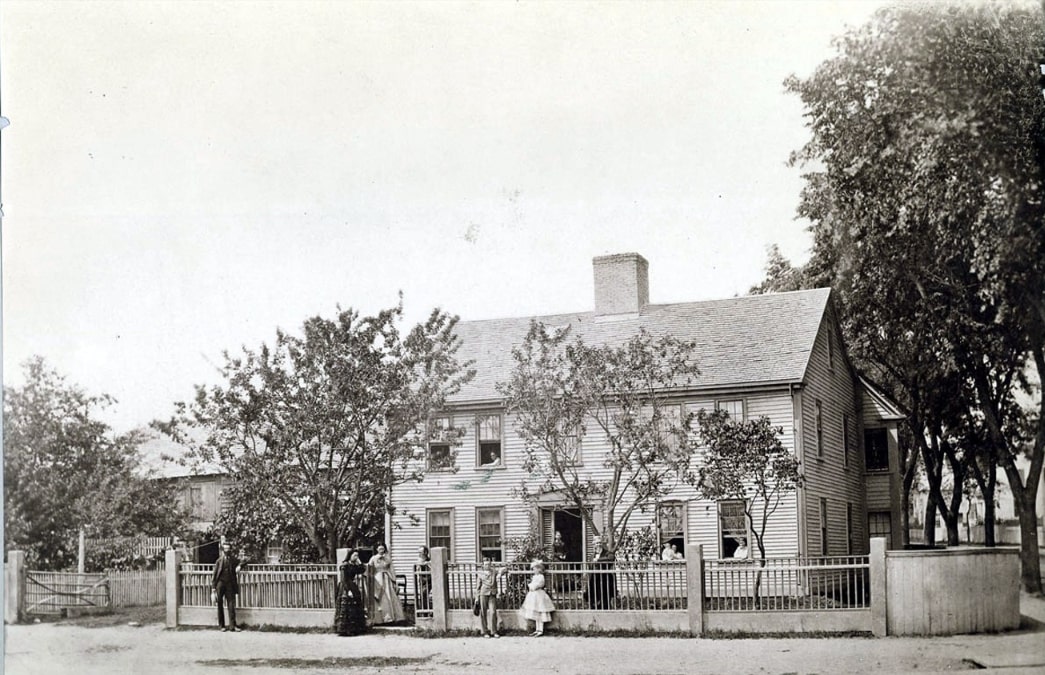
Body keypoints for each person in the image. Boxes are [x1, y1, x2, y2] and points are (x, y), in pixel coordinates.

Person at [368, 543, 405, 624]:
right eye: (379, 549)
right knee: (380, 596)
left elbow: (392, 570)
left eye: (383, 549)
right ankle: (379, 619)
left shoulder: (387, 558)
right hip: (377, 578)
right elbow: (369, 569)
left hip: (387, 578)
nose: (381, 550)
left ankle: (392, 618)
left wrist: (394, 580)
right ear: (377, 549)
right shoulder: (373, 558)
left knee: (389, 595)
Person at [334, 550, 368, 636]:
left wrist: (359, 562)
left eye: (357, 556)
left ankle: (355, 629)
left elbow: (362, 570)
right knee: (346, 607)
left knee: (354, 607)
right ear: (350, 555)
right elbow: (343, 579)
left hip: (352, 585)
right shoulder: (344, 565)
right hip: (345, 586)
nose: (356, 557)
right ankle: (344, 630)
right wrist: (348, 590)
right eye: (354, 555)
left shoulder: (354, 565)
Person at [211, 541, 242, 632]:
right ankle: (222, 626)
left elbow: (243, 561)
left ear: (230, 549)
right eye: (225, 549)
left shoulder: (233, 560)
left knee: (231, 605)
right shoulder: (219, 561)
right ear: (222, 550)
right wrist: (213, 588)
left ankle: (232, 626)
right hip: (220, 584)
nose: (227, 550)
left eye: (228, 548)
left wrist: (240, 566)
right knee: (220, 604)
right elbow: (215, 574)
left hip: (230, 584)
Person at [519, 560, 555, 636]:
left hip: (539, 595)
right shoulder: (535, 576)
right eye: (533, 569)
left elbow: (539, 584)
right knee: (535, 612)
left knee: (540, 612)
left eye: (535, 569)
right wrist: (531, 586)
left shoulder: (541, 577)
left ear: (539, 569)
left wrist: (532, 586)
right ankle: (537, 629)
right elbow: (532, 584)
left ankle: (540, 630)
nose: (534, 570)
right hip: (533, 595)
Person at [476, 557, 508, 637]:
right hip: (483, 594)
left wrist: (500, 574)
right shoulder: (480, 574)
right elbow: (478, 587)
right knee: (483, 612)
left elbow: (505, 569)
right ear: (483, 566)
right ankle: (485, 631)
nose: (487, 566)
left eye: (489, 564)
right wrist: (477, 598)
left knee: (493, 612)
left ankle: (494, 631)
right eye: (486, 564)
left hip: (492, 594)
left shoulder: (494, 572)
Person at [587, 541, 617, 610]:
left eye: (599, 543)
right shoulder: (592, 556)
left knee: (605, 599)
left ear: (602, 544)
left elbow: (611, 558)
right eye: (596, 543)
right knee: (594, 600)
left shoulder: (607, 553)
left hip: (605, 579)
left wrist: (598, 560)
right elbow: (590, 566)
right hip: (594, 580)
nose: (598, 545)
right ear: (593, 545)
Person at [414, 545, 432, 611]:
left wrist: (426, 563)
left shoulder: (429, 560)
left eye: (421, 552)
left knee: (425, 594)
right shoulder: (420, 560)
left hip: (429, 580)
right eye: (418, 553)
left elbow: (431, 567)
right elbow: (418, 568)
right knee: (423, 595)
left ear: (425, 553)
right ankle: (424, 611)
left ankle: (427, 610)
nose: (419, 554)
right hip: (422, 580)